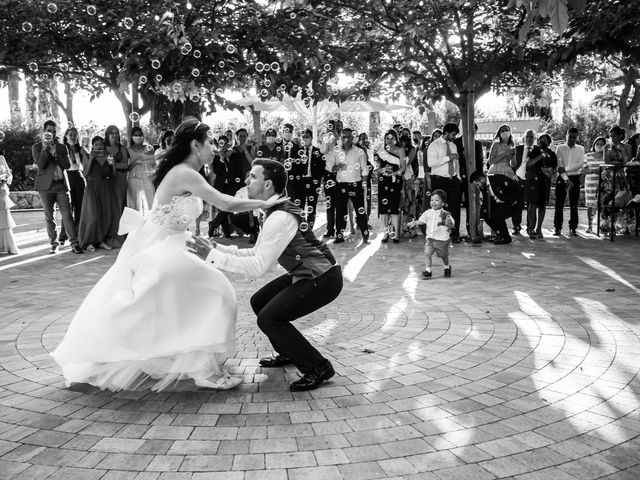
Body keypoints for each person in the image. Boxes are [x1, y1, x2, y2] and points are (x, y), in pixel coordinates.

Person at [51, 119, 286, 392]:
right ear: (196, 145)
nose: (213, 146)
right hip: (163, 244)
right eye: (210, 142)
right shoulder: (184, 173)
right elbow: (225, 203)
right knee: (217, 290)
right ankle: (201, 369)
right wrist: (266, 203)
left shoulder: (186, 171)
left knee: (194, 297)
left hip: (176, 241)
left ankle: (192, 362)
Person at [187, 159, 342, 392]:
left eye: (253, 176)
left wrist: (212, 257)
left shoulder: (279, 217)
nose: (247, 181)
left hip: (324, 278)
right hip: (307, 274)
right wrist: (216, 248)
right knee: (259, 302)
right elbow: (256, 251)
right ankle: (288, 351)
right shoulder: (273, 211)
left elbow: (259, 266)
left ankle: (318, 367)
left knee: (268, 318)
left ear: (268, 184)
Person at [32, 120, 83, 254]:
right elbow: (41, 165)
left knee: (67, 215)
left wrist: (58, 155)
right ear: (44, 132)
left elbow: (66, 165)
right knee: (50, 217)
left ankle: (74, 243)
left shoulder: (62, 147)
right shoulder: (36, 147)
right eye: (50, 131)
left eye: (54, 131)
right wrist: (46, 149)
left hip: (61, 185)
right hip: (45, 187)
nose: (52, 134)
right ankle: (53, 244)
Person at [325, 128, 370, 244]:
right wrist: (337, 167)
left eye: (349, 136)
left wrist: (364, 184)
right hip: (340, 184)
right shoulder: (335, 151)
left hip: (356, 184)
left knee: (360, 210)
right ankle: (339, 235)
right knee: (340, 211)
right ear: (341, 138)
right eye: (344, 136)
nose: (346, 139)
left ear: (352, 138)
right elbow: (328, 166)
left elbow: (365, 169)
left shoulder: (359, 151)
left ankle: (365, 235)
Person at [77, 136, 120, 252]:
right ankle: (89, 242)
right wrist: (91, 159)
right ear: (92, 146)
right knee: (93, 216)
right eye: (96, 144)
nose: (99, 146)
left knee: (105, 216)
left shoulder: (108, 156)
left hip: (105, 187)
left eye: (101, 144)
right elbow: (85, 173)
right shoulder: (87, 155)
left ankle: (100, 241)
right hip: (92, 187)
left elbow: (113, 174)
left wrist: (113, 164)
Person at [407, 189, 454, 279]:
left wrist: (449, 223)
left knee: (443, 256)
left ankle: (447, 266)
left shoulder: (445, 214)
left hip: (442, 240)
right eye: (432, 200)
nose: (433, 202)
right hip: (430, 239)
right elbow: (422, 220)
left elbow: (451, 224)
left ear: (443, 203)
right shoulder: (428, 212)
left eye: (437, 200)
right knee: (427, 253)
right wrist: (415, 223)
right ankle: (428, 270)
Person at [427, 123, 462, 242]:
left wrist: (458, 176)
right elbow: (431, 163)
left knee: (455, 208)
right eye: (453, 134)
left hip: (453, 180)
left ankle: (454, 234)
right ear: (446, 132)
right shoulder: (434, 145)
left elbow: (456, 162)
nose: (454, 137)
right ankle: (438, 234)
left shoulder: (453, 145)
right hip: (439, 180)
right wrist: (448, 158)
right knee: (438, 208)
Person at [471, 170, 521, 245]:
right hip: (501, 204)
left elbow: (515, 187)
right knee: (487, 215)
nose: (478, 187)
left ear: (482, 179)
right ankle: (500, 235)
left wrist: (513, 201)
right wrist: (481, 219)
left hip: (514, 203)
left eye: (477, 184)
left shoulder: (497, 178)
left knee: (497, 215)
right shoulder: (483, 186)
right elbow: (485, 202)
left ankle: (506, 238)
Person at [553, 127, 585, 236]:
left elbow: (580, 164)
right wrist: (566, 178)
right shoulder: (560, 148)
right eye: (570, 136)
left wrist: (566, 169)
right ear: (566, 136)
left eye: (574, 137)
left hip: (575, 177)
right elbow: (559, 165)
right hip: (562, 178)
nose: (572, 139)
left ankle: (573, 228)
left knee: (574, 204)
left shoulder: (581, 149)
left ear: (577, 137)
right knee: (559, 203)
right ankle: (557, 227)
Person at [375, 130, 405, 243]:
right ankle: (385, 233)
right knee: (383, 210)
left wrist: (392, 173)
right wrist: (382, 170)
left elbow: (403, 168)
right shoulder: (380, 151)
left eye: (391, 138)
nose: (389, 140)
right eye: (387, 138)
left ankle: (396, 234)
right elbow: (376, 168)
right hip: (383, 182)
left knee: (394, 208)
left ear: (396, 139)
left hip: (395, 181)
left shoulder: (400, 150)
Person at [525, 133, 557, 239]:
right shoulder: (534, 151)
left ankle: (539, 228)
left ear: (549, 142)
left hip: (544, 182)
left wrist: (548, 172)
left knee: (542, 206)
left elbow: (554, 170)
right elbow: (528, 164)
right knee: (532, 204)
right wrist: (540, 156)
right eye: (541, 140)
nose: (543, 142)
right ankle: (530, 228)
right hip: (533, 181)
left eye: (545, 140)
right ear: (538, 141)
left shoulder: (552, 154)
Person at [291, 129, 325, 229]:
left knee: (312, 206)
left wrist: (317, 180)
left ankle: (310, 228)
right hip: (300, 182)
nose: (305, 139)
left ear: (311, 138)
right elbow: (294, 168)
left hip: (312, 182)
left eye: (307, 137)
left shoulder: (318, 152)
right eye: (304, 137)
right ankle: (301, 226)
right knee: (299, 206)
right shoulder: (297, 152)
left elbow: (321, 168)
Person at [510, 129, 536, 235]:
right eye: (527, 137)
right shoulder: (518, 149)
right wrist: (513, 176)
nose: (529, 139)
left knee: (532, 204)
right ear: (524, 138)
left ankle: (531, 228)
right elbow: (511, 164)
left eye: (531, 137)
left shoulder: (537, 150)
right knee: (517, 204)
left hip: (531, 181)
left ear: (534, 139)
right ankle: (516, 226)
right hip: (518, 180)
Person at [126, 126, 156, 214]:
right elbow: (126, 168)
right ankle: (134, 226)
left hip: (147, 177)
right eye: (136, 135)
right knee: (133, 206)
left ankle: (151, 225)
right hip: (133, 178)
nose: (138, 137)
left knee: (151, 204)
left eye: (140, 135)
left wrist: (148, 159)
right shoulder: (128, 150)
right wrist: (136, 162)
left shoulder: (148, 148)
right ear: (132, 137)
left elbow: (153, 164)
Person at [62, 127, 87, 230]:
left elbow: (82, 165)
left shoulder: (81, 149)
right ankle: (65, 234)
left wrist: (81, 152)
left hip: (78, 176)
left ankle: (79, 231)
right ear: (66, 135)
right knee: (67, 208)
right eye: (70, 134)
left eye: (75, 134)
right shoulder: (62, 148)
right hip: (67, 177)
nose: (73, 136)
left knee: (80, 206)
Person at [104, 125, 129, 214]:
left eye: (117, 133)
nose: (115, 135)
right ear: (107, 134)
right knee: (107, 204)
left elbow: (125, 165)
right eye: (112, 133)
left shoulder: (122, 148)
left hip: (119, 179)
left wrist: (114, 165)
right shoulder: (102, 147)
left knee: (119, 204)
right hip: (105, 179)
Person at [584, 137, 606, 233]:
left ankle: (603, 226)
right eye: (598, 143)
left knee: (602, 205)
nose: (599, 146)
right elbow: (583, 170)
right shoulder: (587, 156)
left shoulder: (606, 157)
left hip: (603, 184)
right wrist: (597, 170)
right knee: (590, 205)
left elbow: (607, 170)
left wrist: (592, 170)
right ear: (594, 144)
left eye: (602, 144)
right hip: (590, 183)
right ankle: (589, 225)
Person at [0, 152, 19, 254]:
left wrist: (5, 179)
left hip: (1, 192)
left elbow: (8, 174)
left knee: (4, 220)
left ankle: (6, 246)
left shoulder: (1, 158)